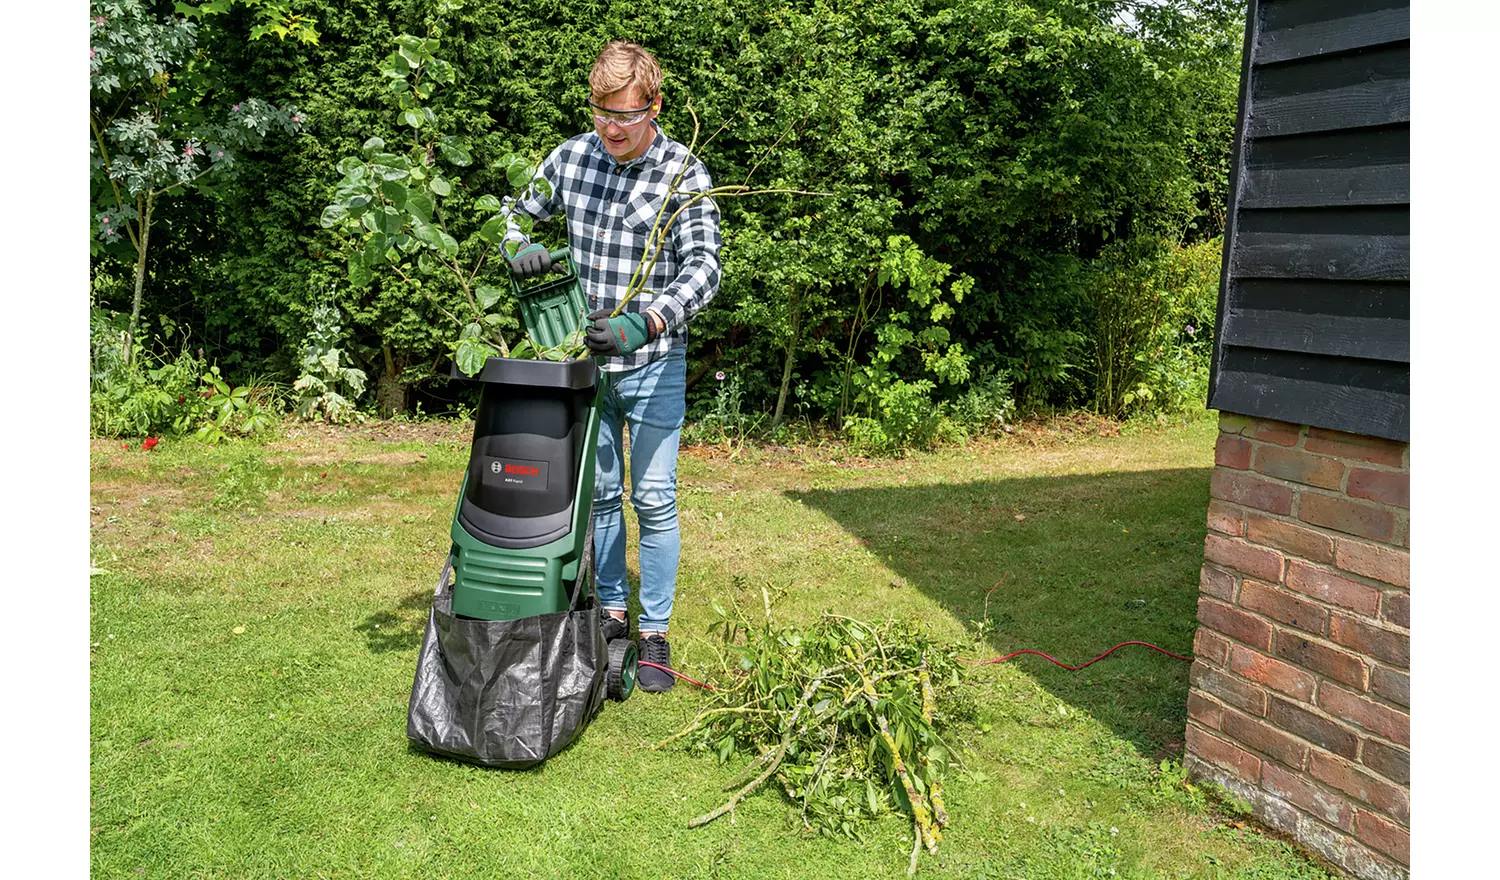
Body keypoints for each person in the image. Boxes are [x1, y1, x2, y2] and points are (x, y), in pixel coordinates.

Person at [503, 40, 722, 692]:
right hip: (587, 367)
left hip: (653, 363)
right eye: (602, 113)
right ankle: (612, 612)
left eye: (625, 115)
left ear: (654, 106)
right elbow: (512, 214)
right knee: (597, 495)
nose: (612, 128)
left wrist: (646, 321)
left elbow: (705, 268)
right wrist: (519, 247)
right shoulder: (571, 157)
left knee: (653, 498)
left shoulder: (683, 173)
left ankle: (654, 632)